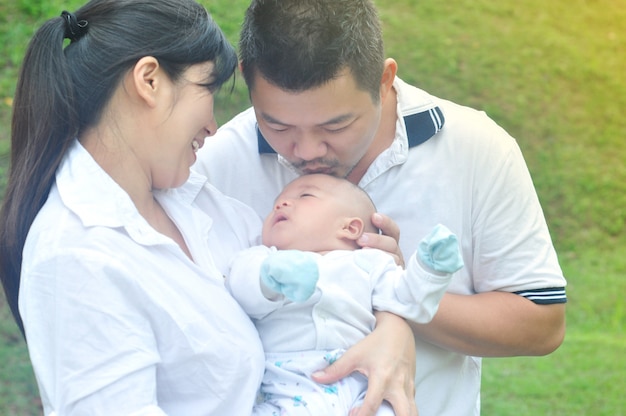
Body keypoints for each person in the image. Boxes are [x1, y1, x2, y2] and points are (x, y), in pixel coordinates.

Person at [194, 0, 568, 414]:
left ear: (384, 80)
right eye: (277, 125)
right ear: (247, 77)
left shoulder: (476, 147)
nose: (307, 150)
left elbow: (542, 324)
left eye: (335, 125)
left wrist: (397, 301)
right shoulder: (214, 165)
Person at [0, 0, 270, 414]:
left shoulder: (187, 195)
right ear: (149, 80)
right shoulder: (76, 257)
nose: (214, 124)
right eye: (206, 89)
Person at [227, 173, 464, 415]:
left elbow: (407, 301)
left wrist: (429, 270)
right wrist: (270, 278)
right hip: (289, 385)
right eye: (276, 202)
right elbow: (242, 288)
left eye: (305, 195)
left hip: (361, 384)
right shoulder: (262, 258)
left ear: (350, 228)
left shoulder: (370, 263)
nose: (281, 204)